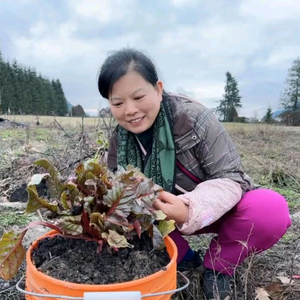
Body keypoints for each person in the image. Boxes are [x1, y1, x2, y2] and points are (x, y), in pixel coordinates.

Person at [97, 48, 291, 300]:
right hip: (164, 221)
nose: (130, 110)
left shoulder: (194, 118)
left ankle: (219, 266)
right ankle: (185, 259)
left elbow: (232, 177)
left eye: (138, 97)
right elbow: (114, 188)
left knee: (270, 210)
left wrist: (190, 208)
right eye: (118, 103)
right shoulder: (119, 140)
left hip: (216, 210)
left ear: (158, 89)